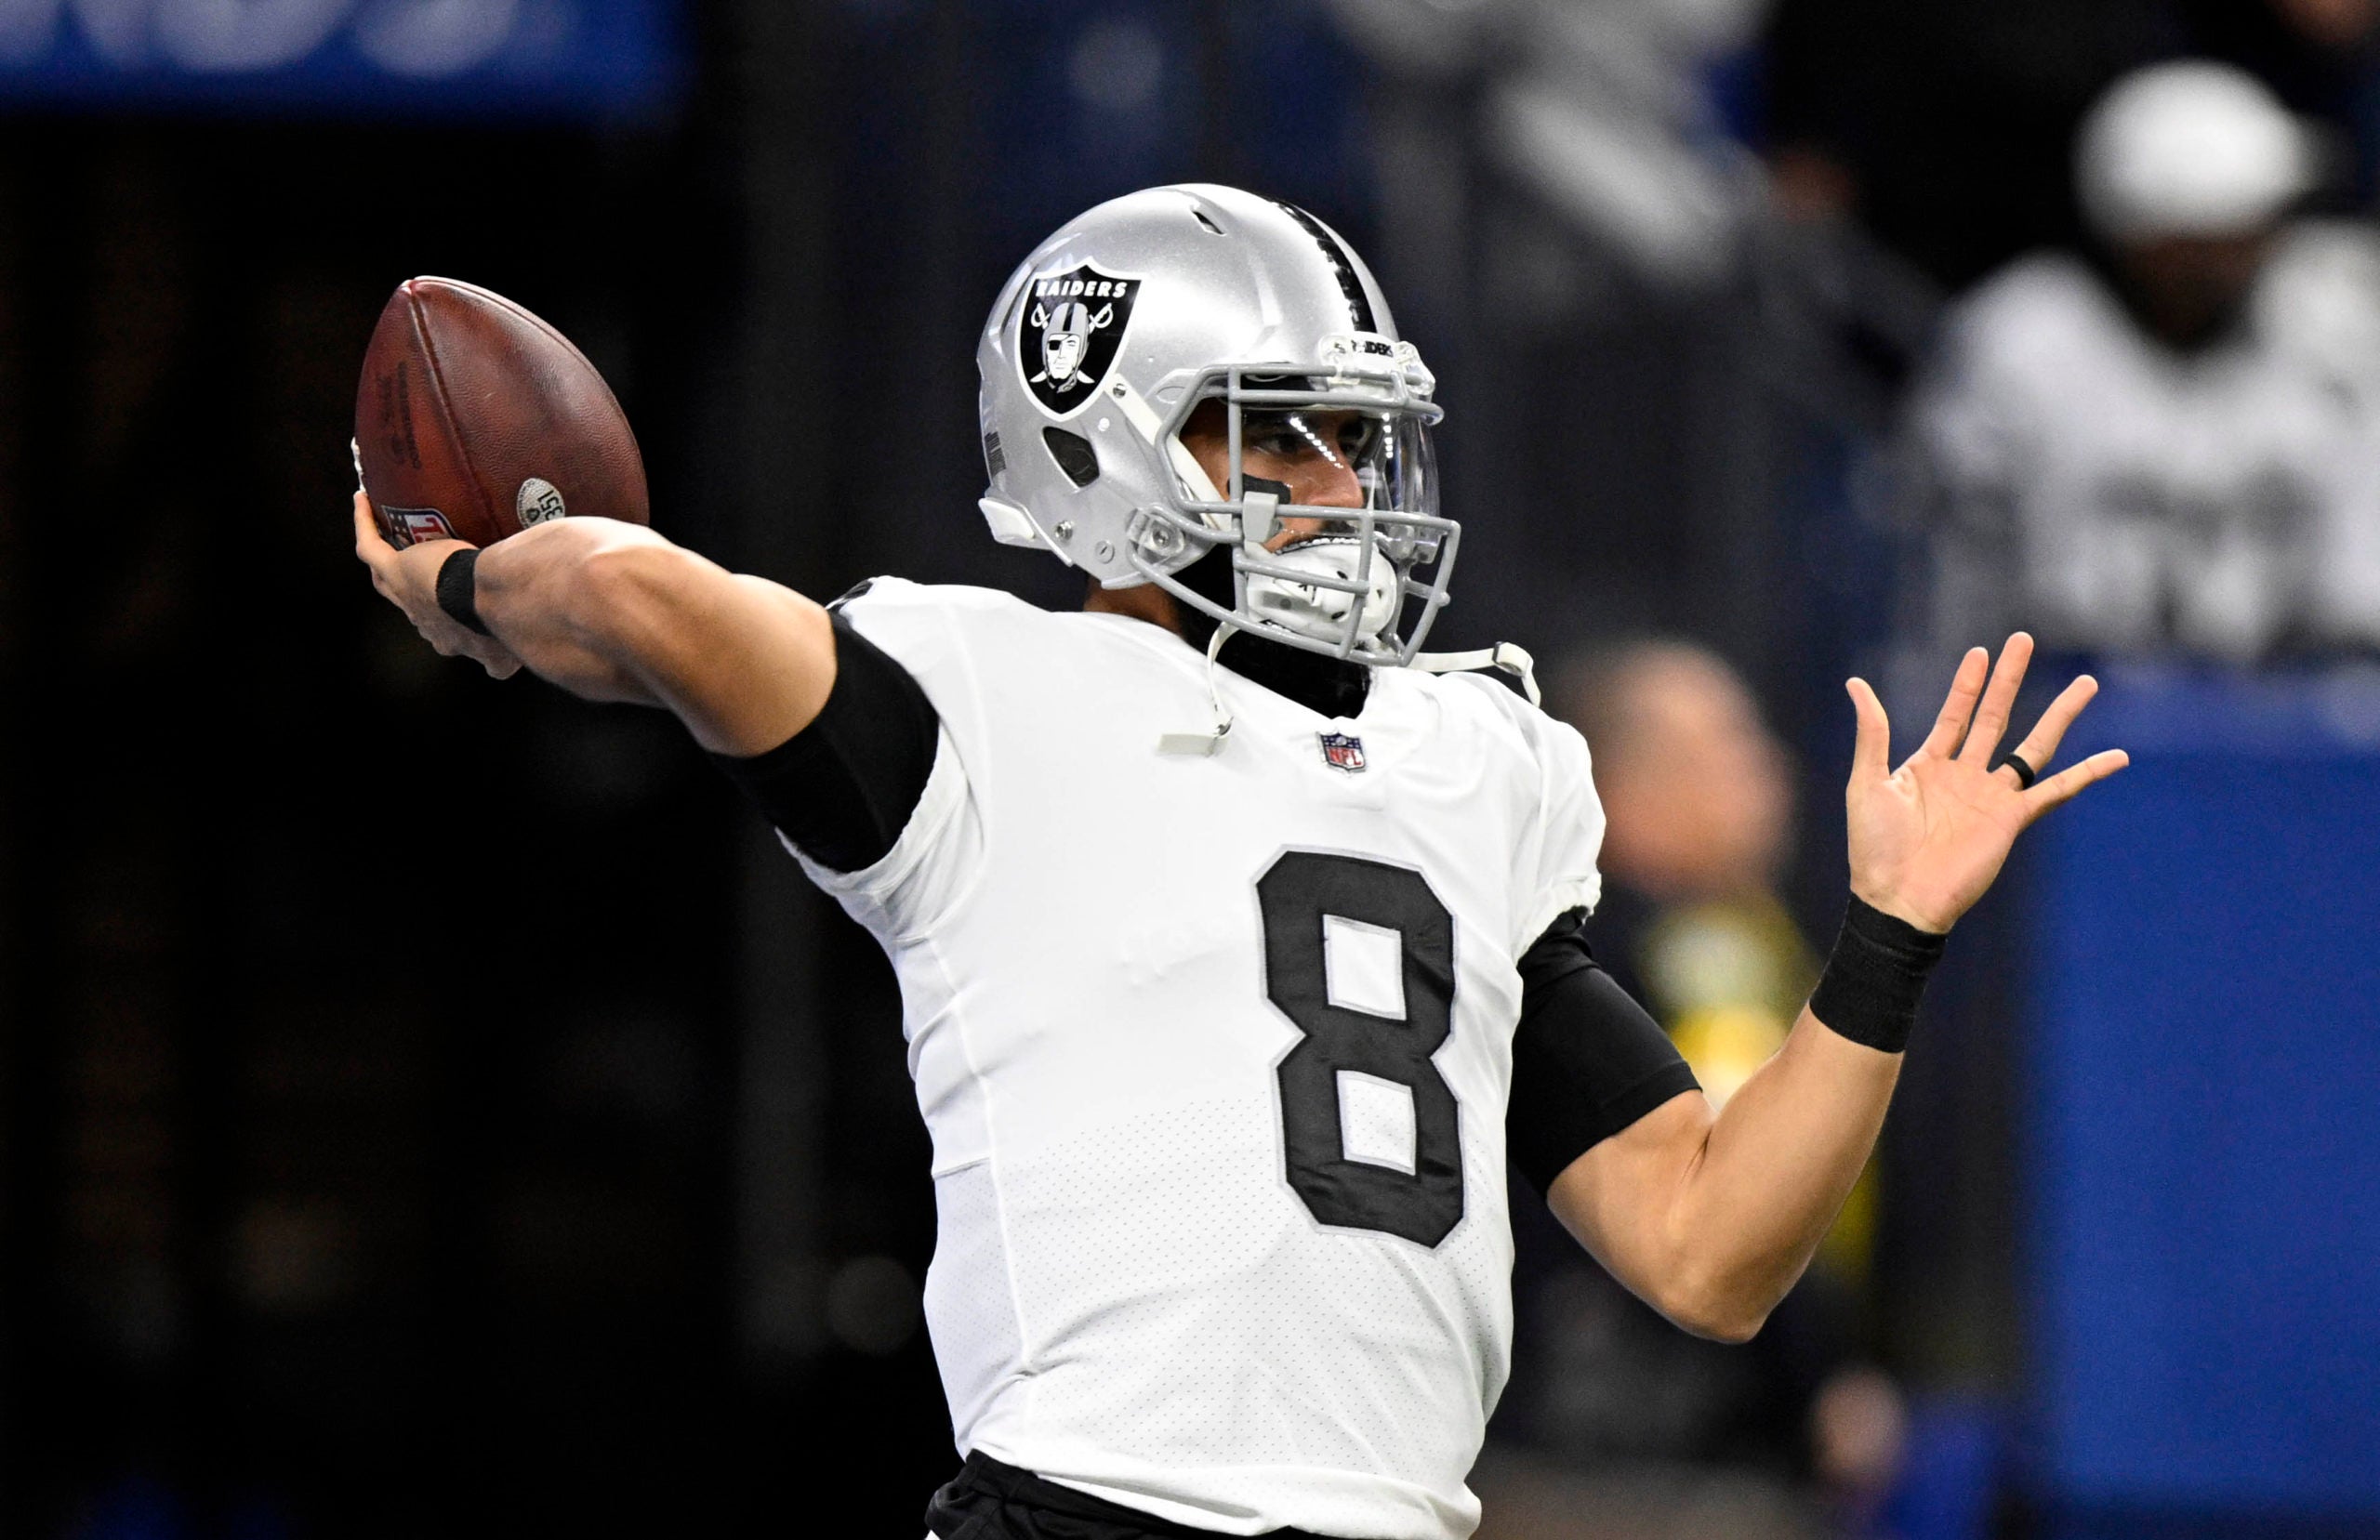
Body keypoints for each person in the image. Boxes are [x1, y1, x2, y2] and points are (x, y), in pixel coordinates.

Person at [352, 185, 2125, 1540]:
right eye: (1267, 431)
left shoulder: (1474, 758)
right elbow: (632, 585)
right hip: (1096, 1501)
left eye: (1349, 437)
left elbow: (1710, 1249)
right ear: (1093, 443)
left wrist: (1888, 936)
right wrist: (464, 589)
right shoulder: (981, 696)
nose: (1333, 484)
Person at [1910, 59, 2380, 665]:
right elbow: (1954, 573)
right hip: (2062, 695)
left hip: (2288, 707)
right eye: (2226, 233)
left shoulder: (2328, 328)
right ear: (2153, 238)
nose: (2261, 248)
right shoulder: (2023, 341)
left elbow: (2359, 586)